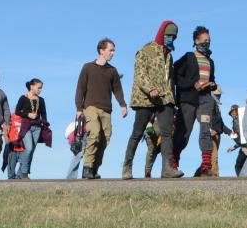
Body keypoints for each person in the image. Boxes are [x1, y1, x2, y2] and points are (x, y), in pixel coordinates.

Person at [125, 21, 179, 179]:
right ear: (162, 34)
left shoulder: (169, 55)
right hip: (146, 99)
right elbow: (140, 74)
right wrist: (150, 89)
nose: (171, 39)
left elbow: (170, 80)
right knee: (137, 133)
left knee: (167, 134)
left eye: (174, 37)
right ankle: (127, 167)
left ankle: (167, 168)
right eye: (169, 35)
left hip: (165, 99)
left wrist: (172, 100)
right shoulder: (146, 50)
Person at [74, 38, 128, 180]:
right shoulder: (88, 67)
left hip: (106, 110)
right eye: (111, 50)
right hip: (90, 107)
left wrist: (123, 105)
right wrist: (79, 108)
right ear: (101, 50)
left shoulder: (112, 71)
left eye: (114, 50)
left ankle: (94, 168)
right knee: (95, 133)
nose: (113, 53)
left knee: (105, 139)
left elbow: (117, 89)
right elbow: (80, 88)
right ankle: (87, 167)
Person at [175, 27, 220, 177]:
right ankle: (173, 164)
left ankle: (206, 167)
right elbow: (176, 75)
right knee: (184, 132)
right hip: (188, 99)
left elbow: (211, 78)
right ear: (196, 41)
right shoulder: (188, 57)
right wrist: (192, 83)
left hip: (205, 100)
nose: (207, 43)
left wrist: (212, 84)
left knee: (205, 130)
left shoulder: (210, 61)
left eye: (209, 41)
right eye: (205, 40)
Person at [11, 79, 49, 180]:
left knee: (31, 151)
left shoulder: (41, 100)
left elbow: (44, 114)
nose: (40, 90)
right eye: (39, 87)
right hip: (26, 126)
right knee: (29, 148)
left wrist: (44, 125)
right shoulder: (23, 98)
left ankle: (20, 173)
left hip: (37, 128)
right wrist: (28, 114)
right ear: (32, 86)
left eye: (41, 88)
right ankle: (24, 173)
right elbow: (17, 111)